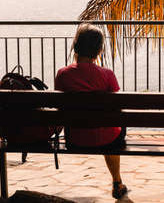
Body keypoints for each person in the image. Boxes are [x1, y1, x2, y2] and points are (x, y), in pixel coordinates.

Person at [55, 23, 128, 199]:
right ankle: (117, 182)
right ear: (98, 50)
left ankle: (117, 181)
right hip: (108, 139)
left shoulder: (63, 74)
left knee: (104, 127)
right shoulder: (107, 75)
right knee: (109, 127)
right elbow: (116, 108)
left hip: (76, 138)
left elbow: (60, 109)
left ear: (76, 45)